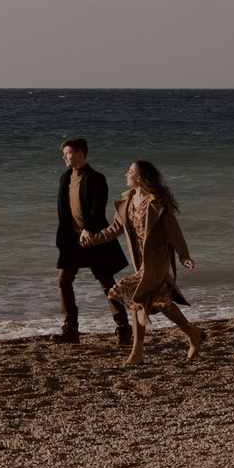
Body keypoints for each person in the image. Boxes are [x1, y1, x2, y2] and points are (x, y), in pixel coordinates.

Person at [78, 158, 203, 366]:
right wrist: (94, 239)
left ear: (140, 177)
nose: (126, 174)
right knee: (162, 302)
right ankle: (192, 333)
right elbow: (115, 229)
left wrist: (184, 257)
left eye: (130, 171)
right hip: (141, 263)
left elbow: (174, 233)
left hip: (156, 263)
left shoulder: (157, 203)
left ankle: (137, 352)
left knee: (133, 296)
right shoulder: (128, 201)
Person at [54, 138, 131, 347]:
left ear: (80, 154)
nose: (64, 157)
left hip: (94, 240)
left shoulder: (96, 178)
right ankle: (71, 329)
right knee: (63, 281)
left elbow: (99, 208)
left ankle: (123, 327)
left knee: (107, 285)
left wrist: (87, 228)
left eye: (67, 153)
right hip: (72, 243)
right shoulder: (65, 178)